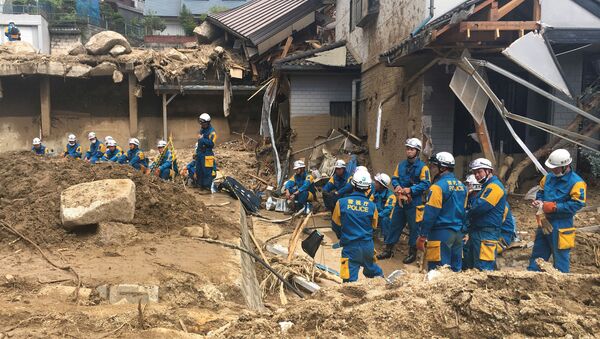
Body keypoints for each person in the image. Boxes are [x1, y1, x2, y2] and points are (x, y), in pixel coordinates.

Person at [528, 149, 586, 273]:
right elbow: (541, 192)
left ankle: (561, 285)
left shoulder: (577, 183)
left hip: (562, 225)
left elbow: (577, 204)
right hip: (544, 221)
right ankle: (532, 279)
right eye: (552, 168)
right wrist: (539, 201)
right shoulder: (548, 178)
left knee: (561, 258)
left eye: (556, 168)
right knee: (538, 255)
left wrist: (555, 207)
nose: (553, 170)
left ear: (566, 166)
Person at [378, 138, 431, 263]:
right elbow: (395, 177)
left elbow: (426, 183)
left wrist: (411, 190)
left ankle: (412, 253)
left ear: (417, 151)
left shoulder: (423, 168)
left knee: (414, 228)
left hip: (414, 203)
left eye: (411, 149)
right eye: (407, 149)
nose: (409, 152)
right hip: (400, 202)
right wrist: (396, 186)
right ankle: (388, 250)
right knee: (394, 225)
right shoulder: (401, 165)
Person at [332, 169, 383, 282]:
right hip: (367, 247)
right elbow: (374, 227)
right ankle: (384, 282)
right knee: (372, 270)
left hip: (350, 248)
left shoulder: (341, 203)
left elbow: (335, 225)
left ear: (352, 184)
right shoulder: (372, 206)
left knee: (348, 281)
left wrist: (342, 237)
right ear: (368, 187)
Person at [418, 152, 466, 272]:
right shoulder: (463, 187)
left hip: (440, 234)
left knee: (438, 272)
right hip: (458, 234)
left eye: (434, 166)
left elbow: (430, 214)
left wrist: (422, 235)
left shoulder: (437, 187)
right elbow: (465, 211)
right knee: (456, 272)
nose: (432, 169)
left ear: (442, 168)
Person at [464, 158, 506, 271]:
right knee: (471, 267)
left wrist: (466, 211)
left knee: (483, 269)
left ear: (488, 171)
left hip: (487, 233)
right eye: (474, 172)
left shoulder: (495, 187)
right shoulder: (486, 187)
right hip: (477, 231)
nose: (477, 175)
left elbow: (480, 207)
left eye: (479, 172)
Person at [195, 113, 217, 189]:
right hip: (200, 153)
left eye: (202, 123)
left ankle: (207, 188)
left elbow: (211, 143)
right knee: (199, 170)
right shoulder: (202, 130)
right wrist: (196, 153)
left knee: (207, 171)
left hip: (207, 154)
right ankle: (200, 186)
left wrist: (202, 139)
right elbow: (199, 143)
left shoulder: (212, 132)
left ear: (207, 122)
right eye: (200, 123)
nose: (201, 124)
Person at [371, 173, 396, 242]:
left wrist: (376, 215)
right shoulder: (375, 192)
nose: (374, 184)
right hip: (377, 215)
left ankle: (387, 240)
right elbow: (369, 203)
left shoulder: (391, 196)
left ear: (381, 185)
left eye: (376, 183)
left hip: (387, 217)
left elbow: (388, 210)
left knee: (385, 220)